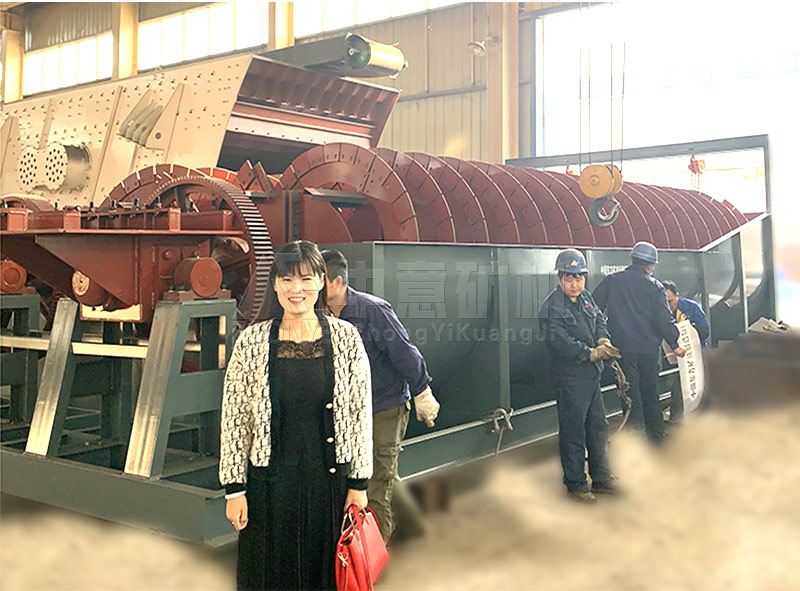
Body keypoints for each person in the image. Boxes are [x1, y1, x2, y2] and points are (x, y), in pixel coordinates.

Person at [219, 241, 373, 591]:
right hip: (269, 487)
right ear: (274, 284)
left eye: (305, 278)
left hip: (329, 485)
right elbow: (235, 417)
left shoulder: (346, 339)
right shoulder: (251, 342)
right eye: (286, 279)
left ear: (321, 281)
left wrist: (359, 484)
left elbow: (360, 413)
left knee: (326, 576)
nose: (296, 289)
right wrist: (234, 489)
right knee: (270, 576)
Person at [321, 248, 440, 542]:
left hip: (384, 407)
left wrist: (422, 391)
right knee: (379, 474)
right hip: (350, 411)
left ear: (337, 282)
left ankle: (375, 556)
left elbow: (404, 353)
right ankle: (414, 522)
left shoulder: (372, 311)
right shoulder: (321, 315)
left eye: (318, 280)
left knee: (375, 485)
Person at [539, 249, 623, 504]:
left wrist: (603, 339)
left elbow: (599, 319)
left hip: (591, 377)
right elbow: (559, 343)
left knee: (598, 427)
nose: (575, 284)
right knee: (574, 432)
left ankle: (601, 478)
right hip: (571, 379)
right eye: (569, 278)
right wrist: (590, 353)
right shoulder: (551, 308)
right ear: (559, 279)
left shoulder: (586, 298)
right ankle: (576, 484)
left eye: (579, 277)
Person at [593, 241, 686, 444]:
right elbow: (664, 319)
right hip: (648, 351)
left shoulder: (612, 280)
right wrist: (675, 344)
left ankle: (636, 443)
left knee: (630, 397)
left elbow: (593, 306)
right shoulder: (655, 287)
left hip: (622, 350)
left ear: (633, 259)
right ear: (651, 265)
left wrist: (603, 331)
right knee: (650, 394)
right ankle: (657, 439)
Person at [662, 280, 710, 423]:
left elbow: (705, 331)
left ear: (677, 295)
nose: (668, 306)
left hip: (696, 355)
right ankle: (677, 421)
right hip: (677, 357)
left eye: (670, 301)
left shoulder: (691, 307)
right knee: (679, 390)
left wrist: (689, 329)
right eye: (665, 302)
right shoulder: (661, 311)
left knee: (699, 387)